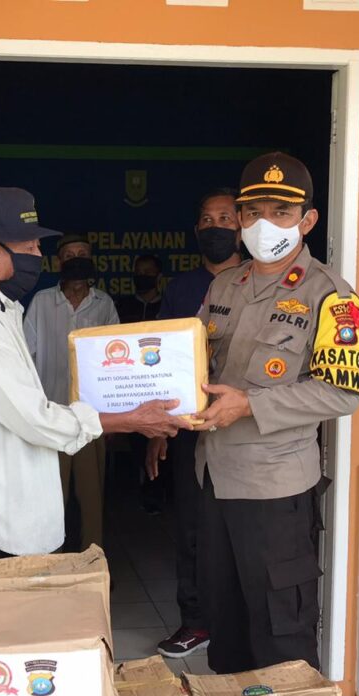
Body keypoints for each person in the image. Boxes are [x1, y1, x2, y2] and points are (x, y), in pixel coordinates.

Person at [0, 187, 190, 588]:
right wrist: (129, 419)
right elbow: (35, 418)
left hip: (8, 517)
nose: (38, 254)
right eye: (28, 245)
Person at [190, 153, 359, 674]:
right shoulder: (225, 286)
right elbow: (190, 360)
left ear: (307, 220)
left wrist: (250, 404)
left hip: (275, 490)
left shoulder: (332, 296)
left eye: (281, 212)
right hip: (215, 479)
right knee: (225, 627)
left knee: (280, 635)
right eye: (253, 212)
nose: (263, 223)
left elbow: (343, 394)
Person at [146, 187, 244, 658]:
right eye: (207, 220)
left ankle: (240, 622)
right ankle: (196, 622)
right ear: (195, 230)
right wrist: (158, 430)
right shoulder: (181, 289)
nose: (216, 227)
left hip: (244, 428)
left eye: (225, 218)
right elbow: (162, 361)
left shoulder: (259, 283)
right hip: (188, 427)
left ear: (242, 227)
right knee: (190, 528)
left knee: (239, 527)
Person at [24, 232, 119, 551]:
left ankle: (93, 560)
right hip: (51, 417)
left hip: (92, 419)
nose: (76, 260)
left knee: (92, 497)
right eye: (69, 255)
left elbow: (117, 363)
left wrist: (113, 416)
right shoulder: (41, 302)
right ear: (58, 263)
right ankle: (52, 561)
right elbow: (26, 358)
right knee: (51, 497)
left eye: (82, 254)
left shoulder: (104, 304)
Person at [116, 254, 163, 323]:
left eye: (147, 272)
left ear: (159, 277)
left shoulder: (166, 306)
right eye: (138, 272)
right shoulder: (122, 306)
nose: (142, 275)